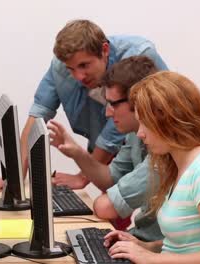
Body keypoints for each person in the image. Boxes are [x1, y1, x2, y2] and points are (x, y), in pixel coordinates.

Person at [0, 19, 168, 192]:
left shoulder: (139, 56)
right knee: (112, 204)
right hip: (111, 155)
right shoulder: (61, 66)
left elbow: (112, 136)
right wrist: (14, 180)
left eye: (84, 65)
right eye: (71, 69)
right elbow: (37, 115)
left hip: (148, 148)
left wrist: (82, 177)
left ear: (105, 50)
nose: (79, 76)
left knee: (132, 203)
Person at [104, 71, 200, 263]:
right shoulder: (179, 168)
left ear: (168, 120)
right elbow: (185, 244)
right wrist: (144, 246)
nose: (140, 134)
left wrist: (149, 259)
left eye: (145, 124)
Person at [48, 56, 164, 242]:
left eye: (114, 104)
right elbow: (110, 180)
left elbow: (105, 207)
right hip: (142, 241)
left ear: (139, 101)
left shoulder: (163, 153)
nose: (108, 112)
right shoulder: (135, 135)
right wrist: (77, 153)